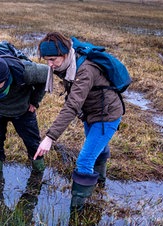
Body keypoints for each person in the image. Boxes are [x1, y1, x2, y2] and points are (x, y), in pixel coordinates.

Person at [33, 32, 123, 215]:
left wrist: (50, 138)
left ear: (65, 54)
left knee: (84, 161)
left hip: (107, 115)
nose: (49, 65)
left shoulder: (84, 70)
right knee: (98, 147)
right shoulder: (67, 64)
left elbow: (72, 105)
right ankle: (100, 183)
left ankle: (77, 214)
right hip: (90, 114)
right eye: (46, 60)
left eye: (53, 59)